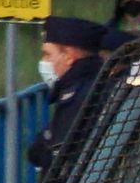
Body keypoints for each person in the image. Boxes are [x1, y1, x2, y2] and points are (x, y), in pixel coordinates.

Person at [28, 15, 106, 170]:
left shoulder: (79, 96)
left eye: (48, 54)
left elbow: (60, 157)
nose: (44, 62)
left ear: (69, 57)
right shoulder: (96, 82)